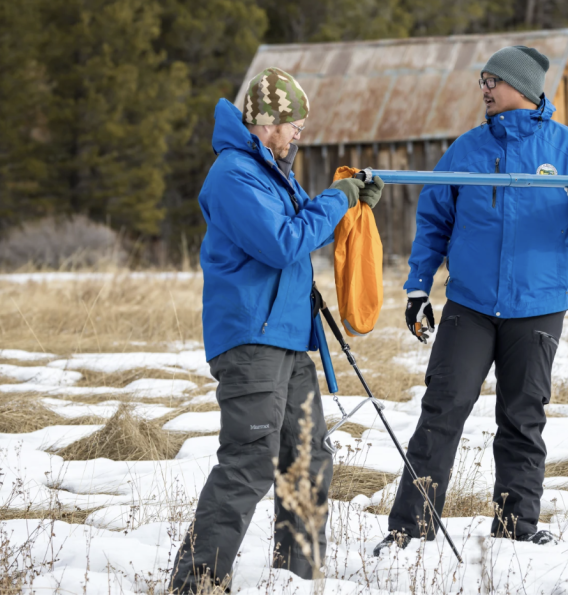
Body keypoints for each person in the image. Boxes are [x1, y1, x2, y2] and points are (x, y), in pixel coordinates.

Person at [373, 46, 568, 555]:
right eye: (482, 80)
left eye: (493, 80)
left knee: (522, 418)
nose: (484, 88)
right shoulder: (465, 150)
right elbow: (434, 221)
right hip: (470, 305)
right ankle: (409, 533)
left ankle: (517, 530)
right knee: (441, 410)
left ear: (523, 89)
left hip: (538, 306)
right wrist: (419, 287)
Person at [170, 67, 384, 592]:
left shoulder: (271, 173)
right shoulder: (235, 175)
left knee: (309, 460)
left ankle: (298, 577)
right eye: (294, 126)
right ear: (267, 121)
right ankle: (195, 582)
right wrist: (339, 199)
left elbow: (298, 229)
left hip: (288, 342)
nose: (298, 136)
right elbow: (283, 243)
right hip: (251, 343)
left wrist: (347, 198)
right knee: (249, 462)